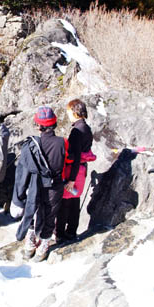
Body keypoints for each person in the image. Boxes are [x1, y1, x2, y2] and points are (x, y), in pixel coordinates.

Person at [16, 106, 66, 261]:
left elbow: (24, 168)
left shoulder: (31, 144)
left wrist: (19, 192)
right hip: (55, 185)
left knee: (31, 211)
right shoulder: (62, 142)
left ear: (39, 125)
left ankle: (30, 244)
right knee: (50, 214)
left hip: (35, 185)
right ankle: (43, 245)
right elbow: (67, 163)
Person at [56, 99, 95, 243]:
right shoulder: (87, 128)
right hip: (81, 171)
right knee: (74, 200)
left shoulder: (77, 131)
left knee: (65, 201)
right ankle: (71, 231)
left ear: (74, 111)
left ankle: (60, 234)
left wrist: (71, 179)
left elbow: (76, 155)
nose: (68, 115)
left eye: (68, 112)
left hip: (74, 171)